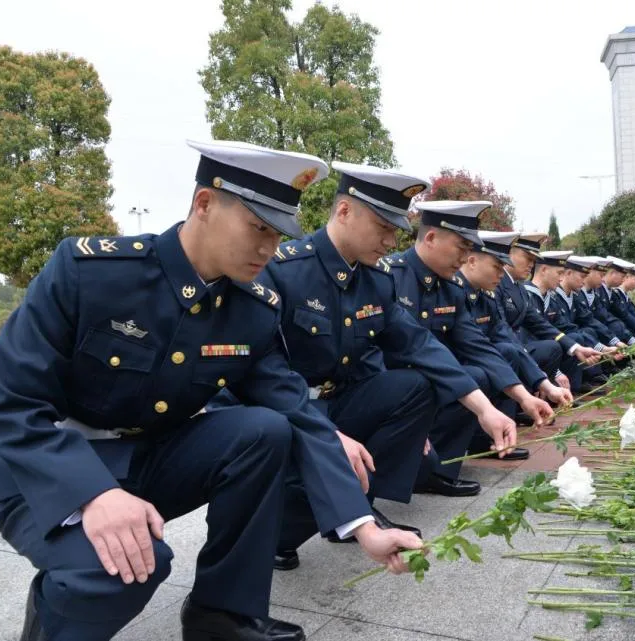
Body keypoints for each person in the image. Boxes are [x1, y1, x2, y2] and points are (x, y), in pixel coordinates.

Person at [0, 140, 420, 641]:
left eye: (278, 234)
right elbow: (12, 405)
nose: (268, 249)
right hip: (44, 466)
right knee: (123, 568)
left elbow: (295, 409)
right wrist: (93, 493)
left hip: (145, 460)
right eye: (258, 227)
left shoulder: (251, 308)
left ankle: (222, 614)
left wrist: (364, 527)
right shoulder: (92, 274)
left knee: (264, 430)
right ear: (204, 203)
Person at [218, 162, 518, 569]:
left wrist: (484, 409)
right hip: (280, 406)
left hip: (337, 400)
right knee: (292, 437)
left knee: (416, 387)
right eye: (383, 227)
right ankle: (287, 530)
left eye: (395, 230)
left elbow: (418, 343)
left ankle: (351, 511)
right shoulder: (284, 270)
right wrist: (329, 435)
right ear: (344, 211)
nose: (391, 240)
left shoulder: (376, 280)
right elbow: (263, 373)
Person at [379, 201, 553, 477]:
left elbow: (477, 345)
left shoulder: (451, 287)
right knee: (423, 383)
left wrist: (524, 397)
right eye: (462, 248)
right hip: (391, 385)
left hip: (432, 380)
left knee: (476, 374)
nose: (464, 258)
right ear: (431, 238)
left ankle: (439, 470)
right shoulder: (389, 276)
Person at [457, 230, 573, 450]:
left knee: (507, 352)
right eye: (497, 267)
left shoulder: (486, 294)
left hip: (473, 365)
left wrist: (545, 385)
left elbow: (501, 336)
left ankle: (493, 433)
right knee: (484, 368)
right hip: (448, 373)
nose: (501, 274)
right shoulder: (455, 291)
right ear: (472, 261)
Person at [497, 233, 603, 390]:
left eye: (533, 260)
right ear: (509, 253)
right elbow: (503, 327)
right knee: (542, 348)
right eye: (528, 258)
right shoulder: (498, 283)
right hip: (508, 347)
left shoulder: (519, 287)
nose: (531, 264)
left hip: (515, 347)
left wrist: (575, 348)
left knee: (557, 345)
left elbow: (539, 323)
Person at [525, 251, 618, 392]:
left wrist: (601, 348)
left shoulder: (549, 298)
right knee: (554, 346)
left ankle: (570, 390)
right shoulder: (526, 295)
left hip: (545, 352)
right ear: (544, 270)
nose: (561, 278)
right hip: (528, 352)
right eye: (559, 273)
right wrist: (557, 373)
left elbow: (567, 327)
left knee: (574, 337)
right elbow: (527, 338)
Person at [578, 256, 634, 344]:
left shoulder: (595, 294)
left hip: (592, 337)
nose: (603, 279)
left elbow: (604, 315)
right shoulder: (579, 294)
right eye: (601, 275)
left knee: (617, 325)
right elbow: (589, 320)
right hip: (580, 339)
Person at [598, 256, 635, 342]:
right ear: (613, 273)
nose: (624, 279)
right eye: (622, 276)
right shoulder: (598, 292)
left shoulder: (611, 292)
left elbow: (628, 315)